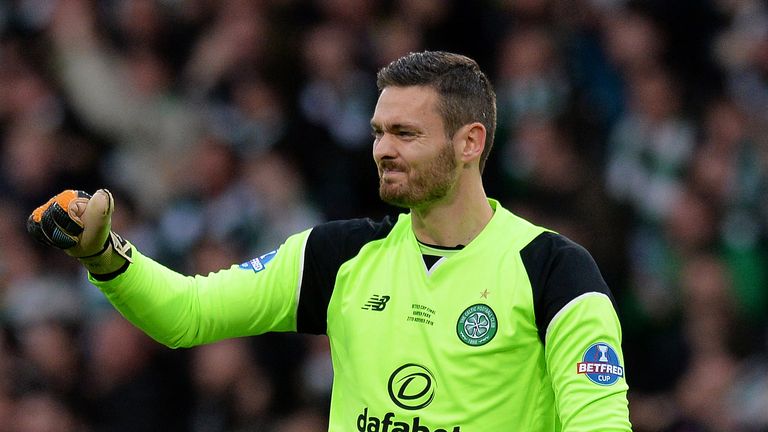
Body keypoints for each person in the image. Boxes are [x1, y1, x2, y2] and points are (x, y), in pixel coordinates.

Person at [26, 51, 631, 431]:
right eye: (377, 132)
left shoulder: (554, 271)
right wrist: (104, 256)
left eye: (405, 133)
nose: (383, 150)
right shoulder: (339, 255)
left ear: (469, 142)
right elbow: (188, 313)